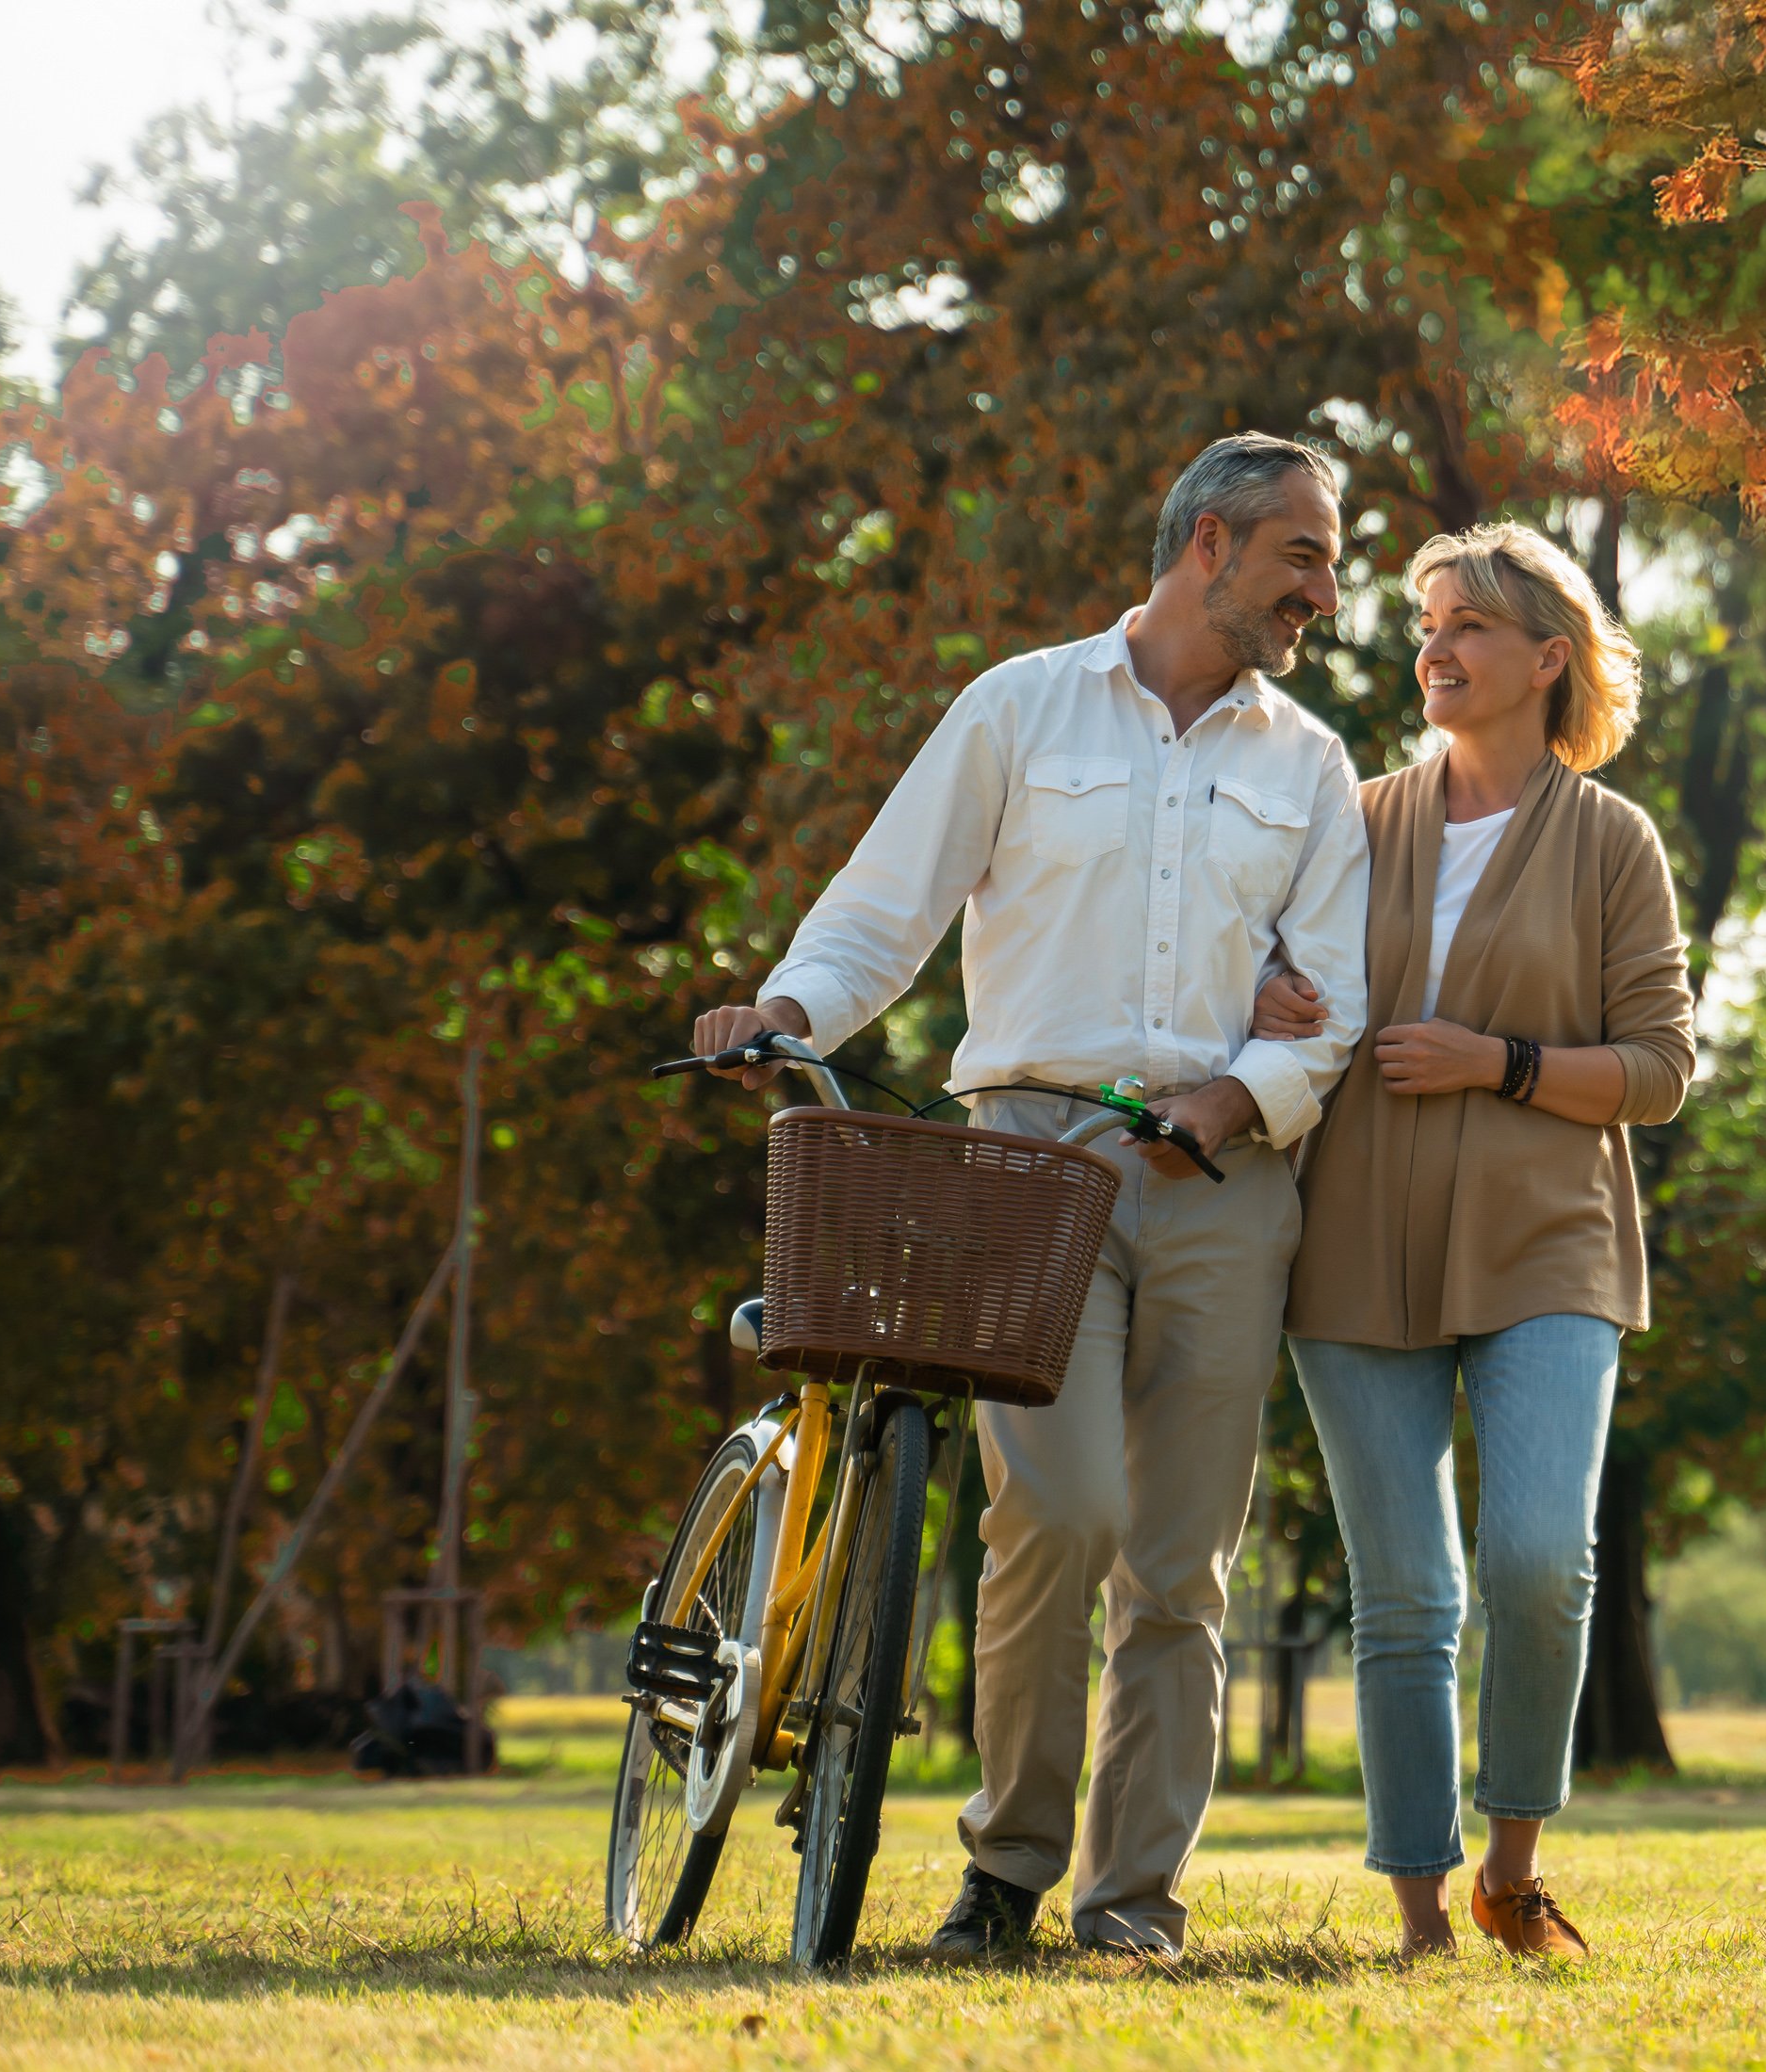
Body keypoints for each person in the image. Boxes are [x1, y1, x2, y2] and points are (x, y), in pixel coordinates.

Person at [691, 433, 1370, 1959]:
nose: (1326, 589)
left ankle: (1130, 1905)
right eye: (1303, 555)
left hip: (1226, 1181)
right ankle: (1005, 1873)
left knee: (1181, 1566)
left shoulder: (1310, 764)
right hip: (1031, 1170)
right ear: (1209, 543)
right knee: (1054, 1513)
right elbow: (887, 905)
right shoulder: (1019, 707)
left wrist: (1230, 1098)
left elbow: (1335, 1006)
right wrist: (790, 1009)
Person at [1251, 520, 1694, 1959]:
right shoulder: (1350, 815)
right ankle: (1423, 1918)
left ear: (1548, 660)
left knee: (1536, 1563)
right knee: (1408, 1592)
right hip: (1354, 1237)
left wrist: (1498, 1062)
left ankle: (1516, 1863)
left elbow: (1660, 1071)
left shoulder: (1613, 841)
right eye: (1430, 622)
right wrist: (1266, 1003)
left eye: (1473, 627)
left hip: (1547, 1240)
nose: (1435, 646)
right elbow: (1257, 974)